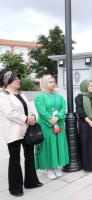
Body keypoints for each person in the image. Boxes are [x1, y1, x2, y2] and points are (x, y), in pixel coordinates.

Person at [0, 69, 42, 197]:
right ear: (7, 81)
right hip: (14, 131)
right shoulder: (3, 95)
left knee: (29, 156)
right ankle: (15, 188)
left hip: (27, 130)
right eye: (15, 79)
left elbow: (29, 108)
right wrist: (26, 119)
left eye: (19, 78)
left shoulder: (21, 93)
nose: (18, 81)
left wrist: (33, 116)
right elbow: (9, 113)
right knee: (15, 158)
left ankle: (31, 181)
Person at [34, 75, 69, 180]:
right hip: (46, 125)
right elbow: (42, 112)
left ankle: (56, 166)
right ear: (44, 83)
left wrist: (57, 118)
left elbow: (63, 107)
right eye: (50, 82)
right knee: (48, 145)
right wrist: (52, 121)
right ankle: (49, 168)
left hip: (59, 123)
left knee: (58, 144)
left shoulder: (59, 96)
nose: (53, 84)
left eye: (54, 82)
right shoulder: (39, 97)